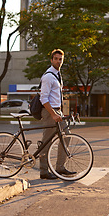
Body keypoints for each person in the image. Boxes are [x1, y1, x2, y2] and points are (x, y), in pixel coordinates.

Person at [39, 49, 74, 179]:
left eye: (61, 59)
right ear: (51, 60)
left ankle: (60, 167)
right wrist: (53, 114)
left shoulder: (58, 75)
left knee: (66, 136)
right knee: (46, 142)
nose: (58, 61)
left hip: (57, 110)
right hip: (49, 112)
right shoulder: (48, 76)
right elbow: (44, 99)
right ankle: (43, 171)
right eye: (56, 59)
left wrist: (61, 112)